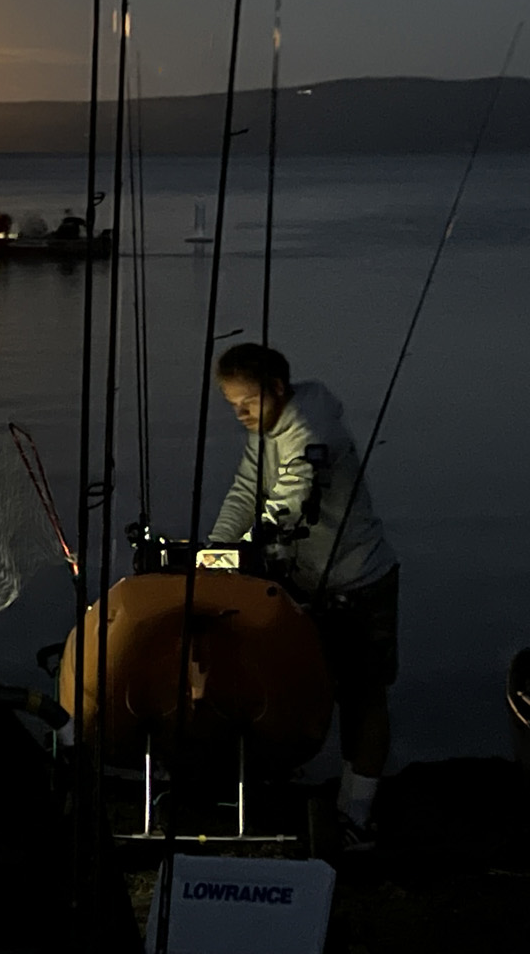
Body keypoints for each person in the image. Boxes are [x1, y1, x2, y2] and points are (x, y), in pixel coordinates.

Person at [208, 343, 399, 850]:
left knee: (363, 697)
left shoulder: (313, 430)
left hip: (360, 579)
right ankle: (284, 778)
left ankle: (357, 814)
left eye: (248, 402)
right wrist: (217, 550)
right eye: (232, 405)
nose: (241, 414)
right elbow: (247, 490)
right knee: (284, 681)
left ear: (277, 389)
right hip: (305, 578)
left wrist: (250, 545)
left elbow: (292, 497)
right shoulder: (265, 430)